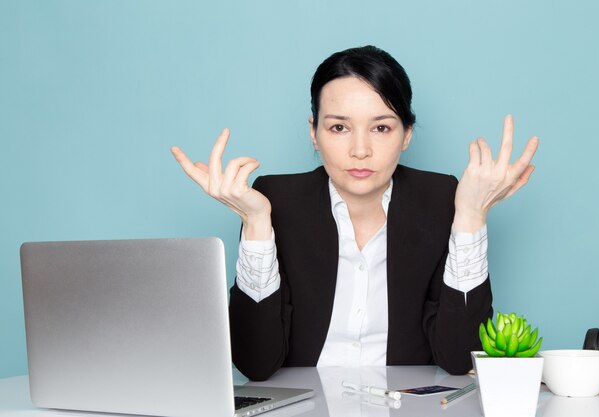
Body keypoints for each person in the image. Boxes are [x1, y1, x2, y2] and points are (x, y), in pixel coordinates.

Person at [171, 45, 539, 381]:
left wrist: (472, 216)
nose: (360, 150)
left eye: (380, 127)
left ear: (407, 134)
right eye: (339, 127)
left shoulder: (441, 199)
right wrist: (255, 223)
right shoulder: (275, 201)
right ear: (314, 133)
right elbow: (255, 364)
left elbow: (459, 358)